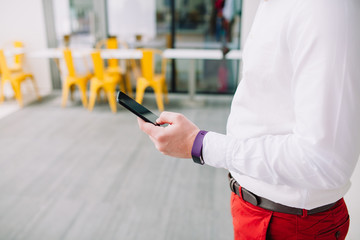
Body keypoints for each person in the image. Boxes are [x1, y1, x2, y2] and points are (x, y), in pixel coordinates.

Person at [138, 0, 360, 239]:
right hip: (256, 209)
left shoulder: (322, 8)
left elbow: (324, 160)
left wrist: (200, 145)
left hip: (287, 223)